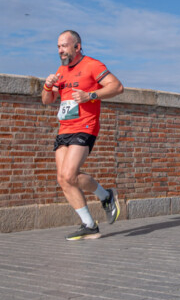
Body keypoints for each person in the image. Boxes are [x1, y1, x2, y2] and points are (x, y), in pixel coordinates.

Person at [42, 30, 124, 240]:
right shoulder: (61, 71)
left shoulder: (92, 65)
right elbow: (47, 100)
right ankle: (89, 224)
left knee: (70, 174)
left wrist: (90, 95)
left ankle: (105, 196)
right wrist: (48, 85)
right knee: (63, 179)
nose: (60, 50)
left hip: (85, 126)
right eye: (58, 46)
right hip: (65, 129)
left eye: (64, 46)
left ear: (77, 47)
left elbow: (117, 87)